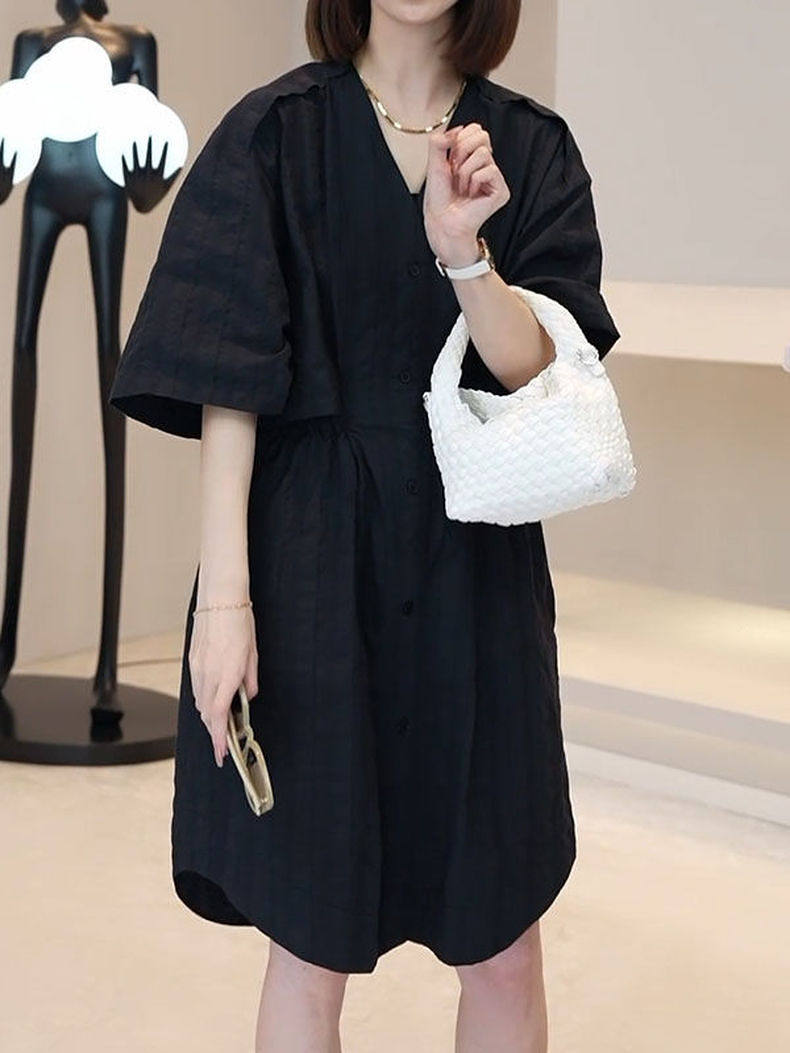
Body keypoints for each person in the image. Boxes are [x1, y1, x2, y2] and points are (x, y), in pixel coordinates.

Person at [109, 1, 620, 1049]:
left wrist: (465, 255)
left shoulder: (530, 147)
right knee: (309, 944)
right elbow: (228, 386)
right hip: (307, 560)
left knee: (503, 940)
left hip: (473, 563)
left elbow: (537, 373)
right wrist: (224, 604)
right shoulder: (274, 132)